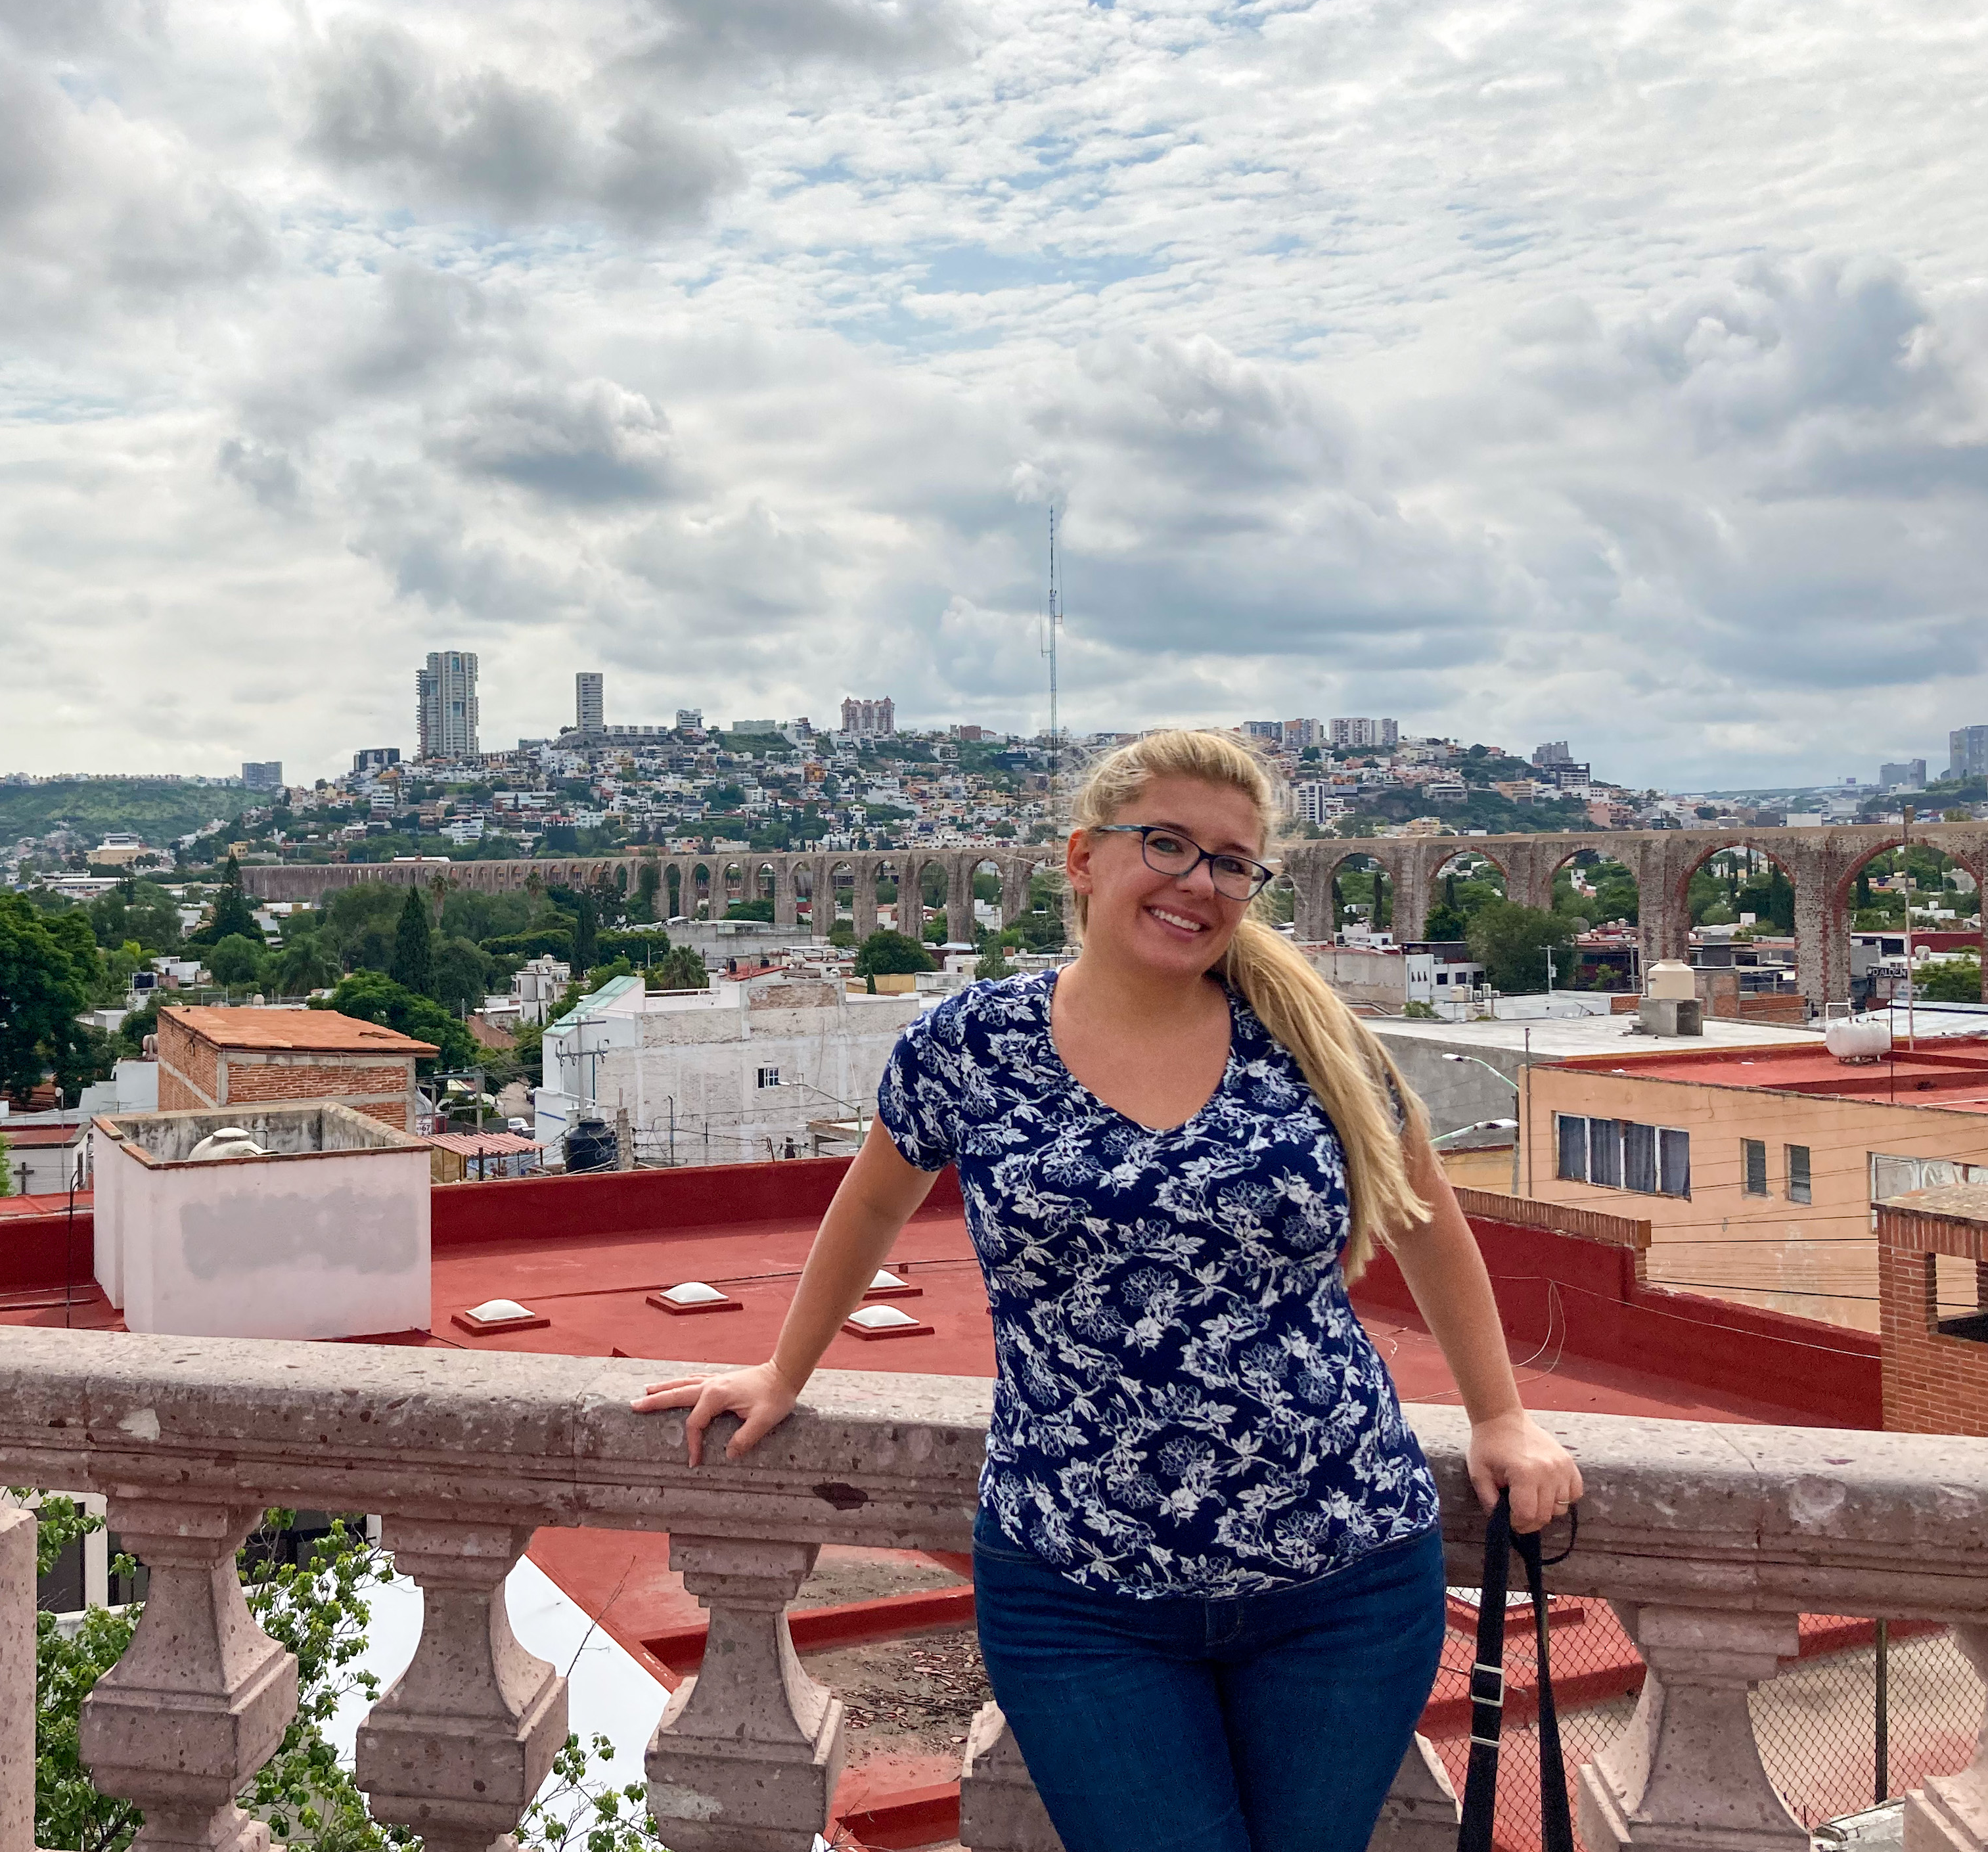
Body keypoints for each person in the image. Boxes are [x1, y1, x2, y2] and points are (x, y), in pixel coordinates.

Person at [635, 729, 1581, 1852]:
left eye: (1232, 862)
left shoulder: (1314, 1042)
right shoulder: (972, 1044)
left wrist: (1501, 1417)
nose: (1199, 884)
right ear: (1084, 859)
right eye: (1168, 846)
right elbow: (872, 1205)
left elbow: (1426, 1222)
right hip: (1080, 1592)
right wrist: (784, 1369)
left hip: (1347, 1574)